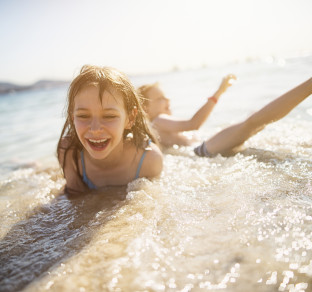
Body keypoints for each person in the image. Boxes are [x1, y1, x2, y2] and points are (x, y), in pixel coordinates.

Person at [139, 76, 312, 157]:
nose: (167, 99)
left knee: (255, 121)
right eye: (160, 98)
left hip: (207, 148)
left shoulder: (159, 124)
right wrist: (218, 93)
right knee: (253, 122)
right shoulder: (157, 121)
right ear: (145, 109)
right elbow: (194, 123)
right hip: (203, 150)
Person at [57, 65, 163, 193]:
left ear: (130, 119)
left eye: (109, 116)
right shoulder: (69, 152)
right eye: (83, 116)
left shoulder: (149, 160)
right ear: (72, 118)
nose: (95, 129)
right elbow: (75, 197)